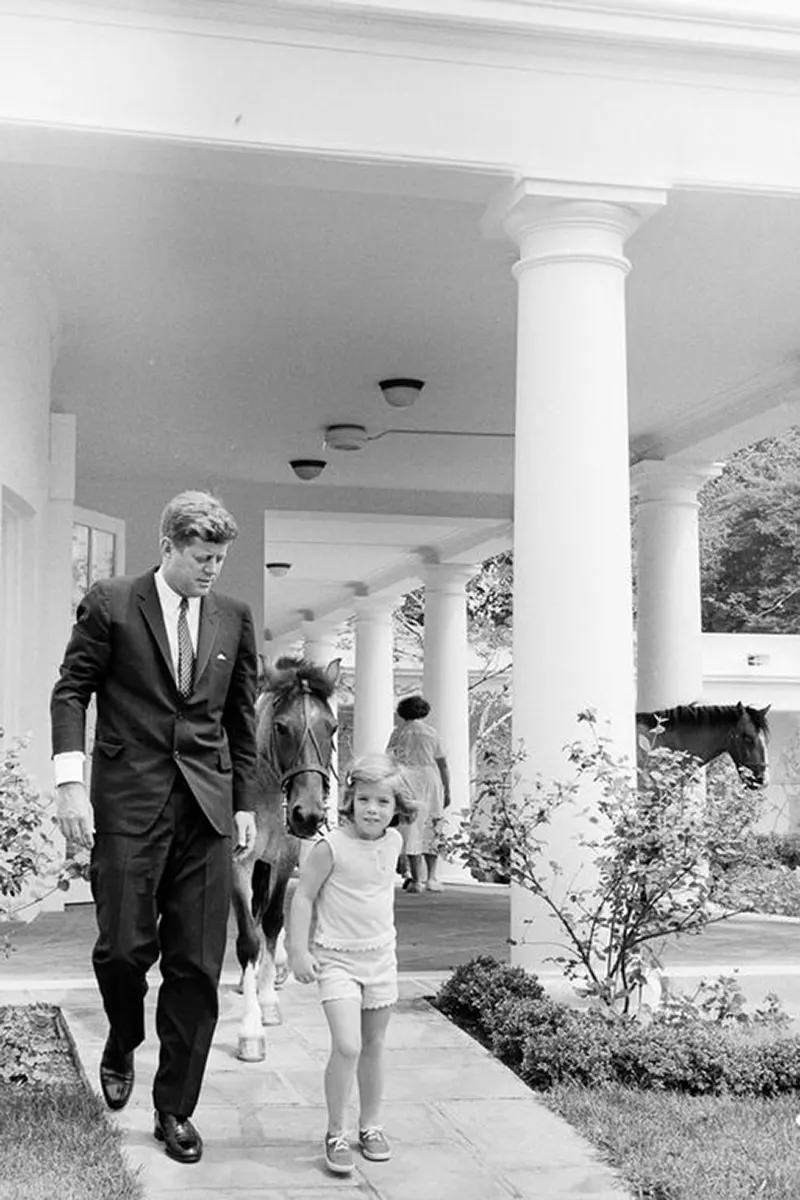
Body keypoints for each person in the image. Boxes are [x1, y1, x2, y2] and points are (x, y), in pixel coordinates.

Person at [51, 490, 258, 1166]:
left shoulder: (233, 616)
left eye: (221, 559)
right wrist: (71, 785)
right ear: (167, 546)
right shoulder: (112, 602)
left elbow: (241, 718)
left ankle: (175, 1109)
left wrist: (247, 801)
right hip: (128, 806)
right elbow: (71, 691)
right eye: (202, 557)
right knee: (122, 951)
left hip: (206, 813)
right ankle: (121, 1035)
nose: (212, 570)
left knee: (197, 966)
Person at [288, 753, 417, 1176]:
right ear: (349, 800)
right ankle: (335, 1131)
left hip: (381, 959)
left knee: (374, 1048)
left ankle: (371, 1126)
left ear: (396, 809)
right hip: (337, 960)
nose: (372, 809)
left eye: (383, 802)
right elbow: (303, 896)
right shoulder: (330, 847)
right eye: (364, 799)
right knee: (348, 1046)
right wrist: (298, 950)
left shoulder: (394, 843)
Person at [386, 695, 451, 893]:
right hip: (431, 779)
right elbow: (443, 763)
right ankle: (432, 877)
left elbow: (389, 759)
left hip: (407, 778)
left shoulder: (399, 733)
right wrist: (447, 788)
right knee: (432, 824)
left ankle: (417, 880)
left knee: (411, 826)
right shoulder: (431, 733)